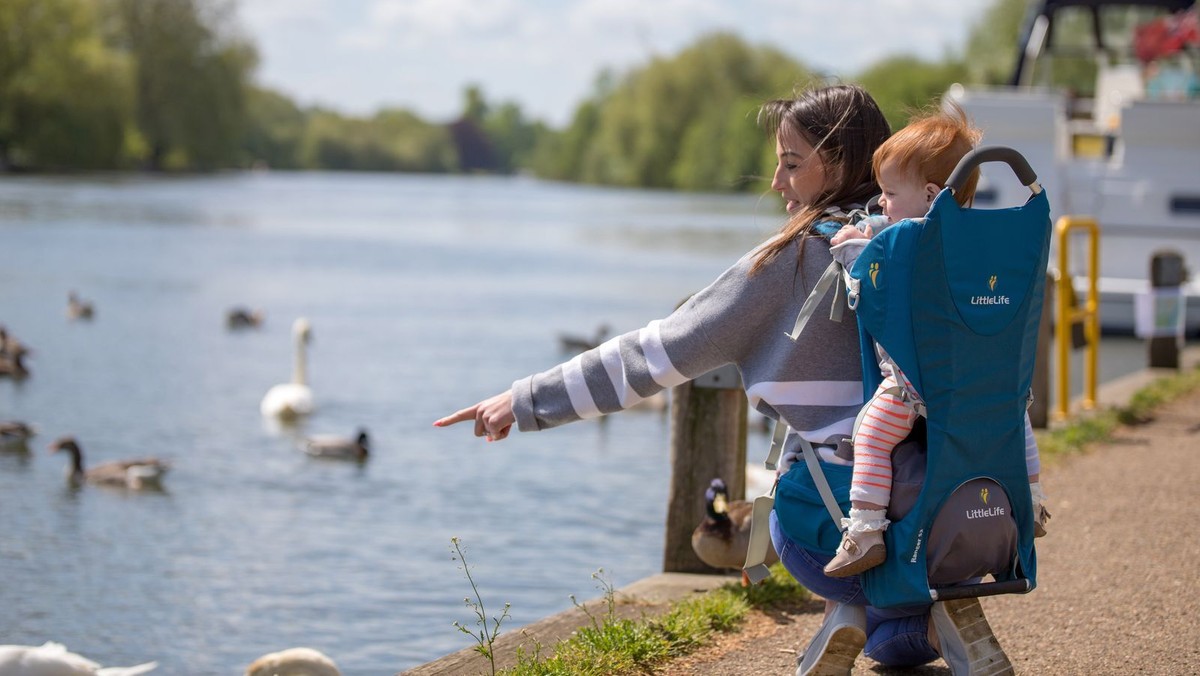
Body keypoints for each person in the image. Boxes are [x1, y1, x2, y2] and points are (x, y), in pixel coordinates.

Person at [437, 84, 1010, 675]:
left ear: (838, 165)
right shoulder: (945, 249)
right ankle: (928, 612)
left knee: (786, 522)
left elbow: (653, 355)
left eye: (791, 164)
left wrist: (525, 400)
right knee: (893, 648)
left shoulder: (786, 265)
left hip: (852, 522)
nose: (776, 183)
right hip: (966, 513)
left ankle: (856, 610)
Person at [820, 105, 1052, 579]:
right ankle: (1032, 500)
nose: (880, 203)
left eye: (888, 193)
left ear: (928, 194)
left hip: (919, 383)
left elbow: (870, 272)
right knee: (1014, 421)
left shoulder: (910, 241)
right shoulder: (982, 237)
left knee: (871, 434)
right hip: (990, 380)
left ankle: (864, 530)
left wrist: (848, 246)